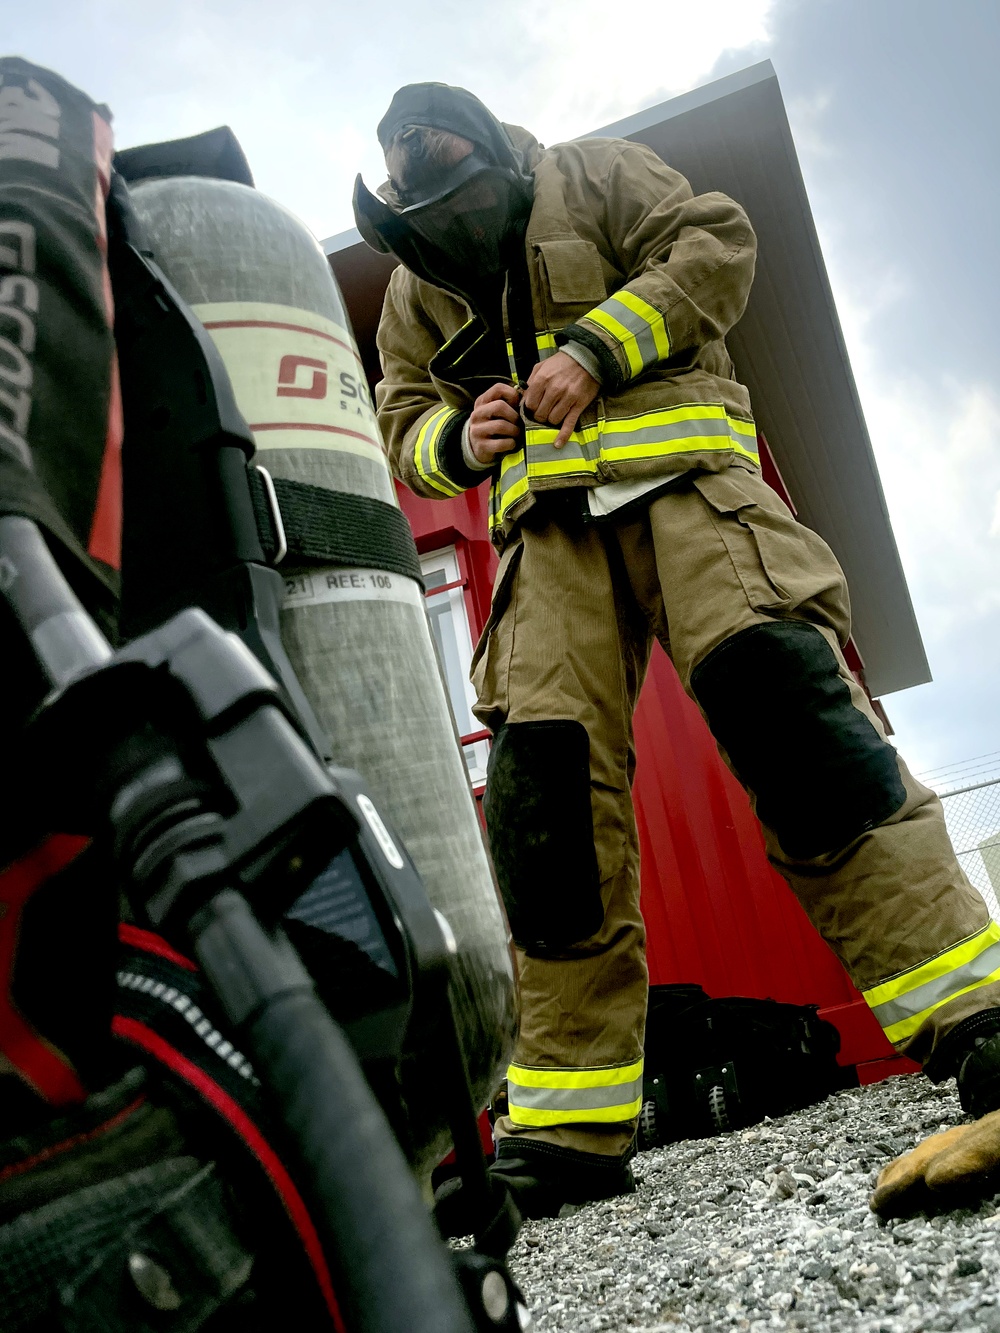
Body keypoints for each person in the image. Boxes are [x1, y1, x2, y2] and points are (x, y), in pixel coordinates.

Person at [354, 81, 1000, 1223]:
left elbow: (716, 244)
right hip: (547, 544)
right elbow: (403, 420)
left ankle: (980, 1016)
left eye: (462, 192)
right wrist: (461, 434)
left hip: (691, 493)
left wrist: (600, 348)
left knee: (796, 731)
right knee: (544, 815)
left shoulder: (599, 175)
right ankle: (565, 1130)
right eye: (426, 206)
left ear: (501, 159)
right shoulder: (411, 289)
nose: (448, 221)